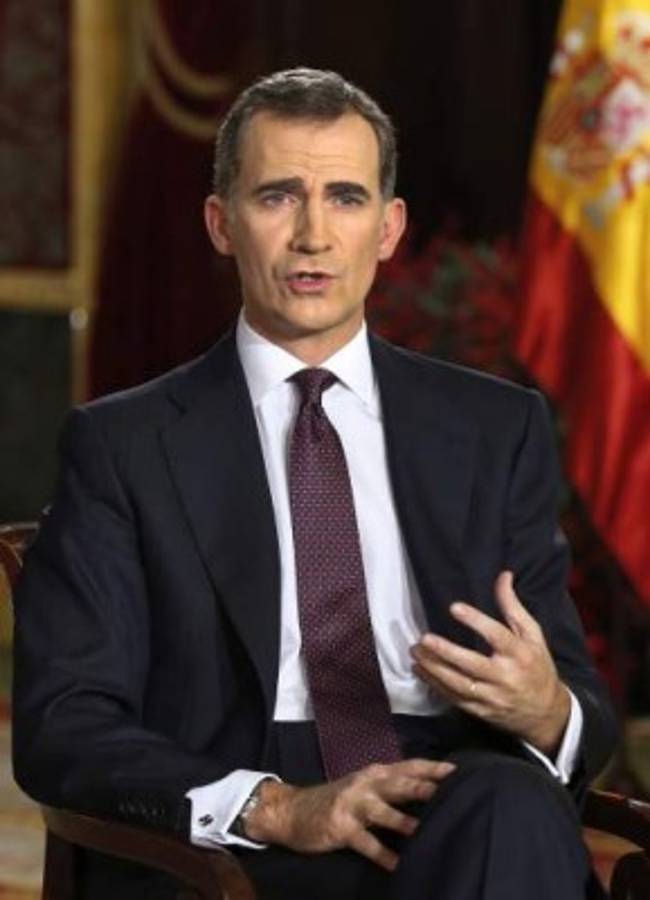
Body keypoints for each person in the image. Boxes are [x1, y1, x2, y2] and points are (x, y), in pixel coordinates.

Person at [12, 68, 617, 900]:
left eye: (344, 197)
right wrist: (276, 806)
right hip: (241, 825)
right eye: (277, 197)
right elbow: (63, 723)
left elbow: (580, 707)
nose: (312, 236)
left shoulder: (491, 430)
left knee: (512, 806)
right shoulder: (124, 445)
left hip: (450, 795)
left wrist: (545, 708)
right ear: (222, 224)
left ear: (389, 227)